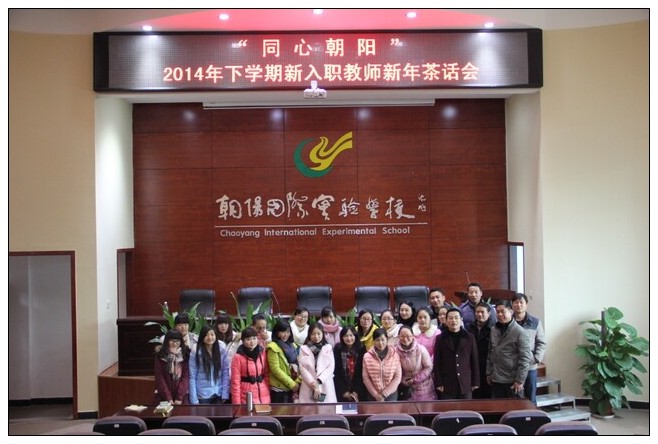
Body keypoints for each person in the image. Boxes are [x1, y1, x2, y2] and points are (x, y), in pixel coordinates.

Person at [487, 300, 532, 399]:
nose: (500, 314)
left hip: (512, 381)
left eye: (503, 311)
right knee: (497, 408)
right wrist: (489, 373)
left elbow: (525, 359)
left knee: (514, 408)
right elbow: (490, 353)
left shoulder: (520, 332)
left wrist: (519, 380)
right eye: (497, 312)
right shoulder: (494, 330)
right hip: (496, 379)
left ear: (511, 311)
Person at [433, 308, 479, 399]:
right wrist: (439, 382)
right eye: (450, 318)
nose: (453, 320)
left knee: (466, 407)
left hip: (465, 383)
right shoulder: (440, 338)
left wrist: (475, 381)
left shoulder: (469, 337)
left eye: (456, 318)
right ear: (446, 320)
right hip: (447, 384)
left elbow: (474, 361)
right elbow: (437, 362)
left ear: (461, 319)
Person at [512, 292, 547, 404]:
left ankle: (533, 415)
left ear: (526, 304)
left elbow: (541, 343)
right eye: (516, 302)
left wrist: (536, 358)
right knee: (515, 398)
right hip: (513, 366)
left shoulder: (535, 322)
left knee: (531, 397)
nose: (518, 305)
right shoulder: (509, 321)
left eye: (521, 302)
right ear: (512, 305)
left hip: (530, 366)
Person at [189, 324, 230, 404]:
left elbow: (225, 372)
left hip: (218, 393)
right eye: (206, 335)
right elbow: (192, 376)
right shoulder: (196, 351)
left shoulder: (221, 349)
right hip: (202, 395)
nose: (210, 337)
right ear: (202, 337)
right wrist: (194, 400)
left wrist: (225, 394)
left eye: (212, 334)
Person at [230, 326, 271, 405]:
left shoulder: (262, 353)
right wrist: (236, 404)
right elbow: (235, 382)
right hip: (246, 395)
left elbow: (266, 374)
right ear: (243, 341)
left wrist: (267, 389)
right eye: (248, 339)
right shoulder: (237, 357)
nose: (252, 342)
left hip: (263, 394)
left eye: (254, 338)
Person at [298, 323, 337, 403]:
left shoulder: (328, 348)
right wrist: (313, 384)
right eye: (313, 334)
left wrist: (319, 381)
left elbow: (331, 367)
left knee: (326, 409)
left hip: (325, 384)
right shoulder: (303, 348)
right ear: (309, 335)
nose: (316, 337)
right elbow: (302, 368)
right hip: (308, 385)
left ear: (322, 334)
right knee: (309, 409)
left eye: (318, 334)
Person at [396, 325, 436, 401]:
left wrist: (415, 379)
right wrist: (403, 380)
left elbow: (429, 367)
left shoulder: (421, 349)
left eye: (408, 336)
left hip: (423, 385)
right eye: (402, 336)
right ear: (398, 337)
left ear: (412, 336)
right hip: (405, 387)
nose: (405, 339)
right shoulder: (395, 351)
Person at [362, 328, 402, 402]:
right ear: (373, 341)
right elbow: (366, 378)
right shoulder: (367, 356)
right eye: (377, 340)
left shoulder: (394, 355)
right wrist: (376, 395)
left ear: (387, 339)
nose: (380, 343)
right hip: (373, 395)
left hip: (391, 394)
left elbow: (397, 377)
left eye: (383, 340)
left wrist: (384, 394)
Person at [266, 319, 301, 403]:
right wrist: (292, 384)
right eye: (282, 332)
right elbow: (275, 369)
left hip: (294, 387)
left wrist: (297, 382)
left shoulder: (294, 345)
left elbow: (300, 365)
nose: (285, 335)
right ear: (277, 332)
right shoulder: (273, 347)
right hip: (279, 388)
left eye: (288, 332)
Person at [154, 329, 190, 405]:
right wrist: (168, 397)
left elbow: (185, 377)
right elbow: (160, 377)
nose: (175, 343)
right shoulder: (160, 355)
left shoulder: (185, 354)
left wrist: (179, 397)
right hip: (163, 396)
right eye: (172, 340)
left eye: (177, 341)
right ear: (167, 341)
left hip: (181, 397)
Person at [333, 325, 368, 402]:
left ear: (355, 336)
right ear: (342, 337)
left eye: (351, 335)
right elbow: (336, 372)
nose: (349, 338)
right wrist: (343, 391)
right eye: (346, 336)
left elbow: (363, 373)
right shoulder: (337, 350)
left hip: (359, 392)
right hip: (342, 392)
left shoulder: (362, 349)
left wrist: (356, 391)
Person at [468, 301, 494, 399]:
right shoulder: (470, 327)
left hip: (488, 366)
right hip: (473, 366)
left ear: (489, 313)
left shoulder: (494, 328)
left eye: (482, 312)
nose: (479, 314)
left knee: (488, 395)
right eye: (477, 312)